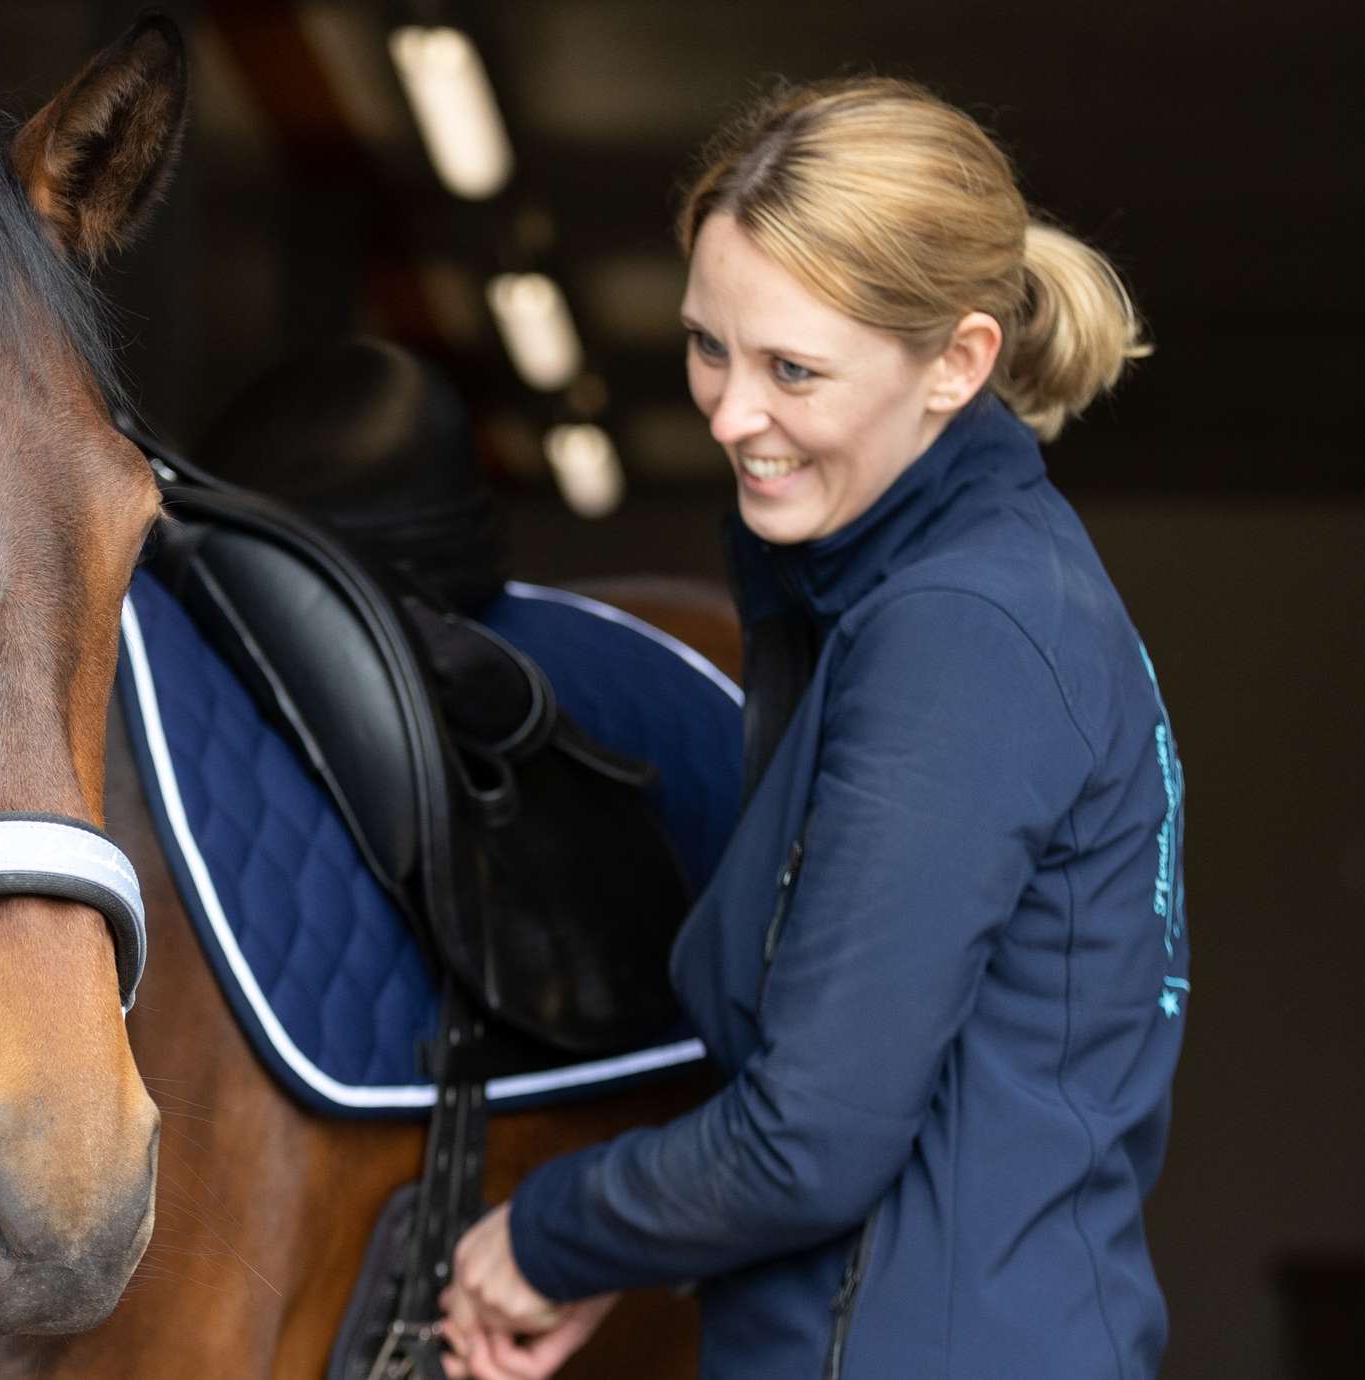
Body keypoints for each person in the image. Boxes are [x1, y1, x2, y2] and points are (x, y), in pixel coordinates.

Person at [439, 78, 1185, 1380]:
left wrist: (549, 1233)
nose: (728, 415)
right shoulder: (928, 590)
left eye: (792, 368)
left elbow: (809, 1141)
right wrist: (639, 1248)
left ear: (955, 363)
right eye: (707, 346)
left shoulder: (956, 630)